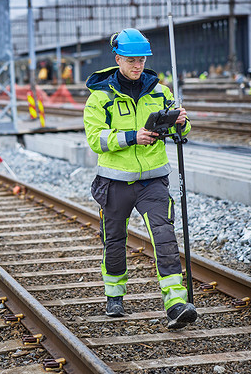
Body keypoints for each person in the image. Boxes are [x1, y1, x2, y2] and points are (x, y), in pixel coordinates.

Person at [83, 28, 197, 329]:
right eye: (132, 59)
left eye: (142, 60)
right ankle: (114, 295)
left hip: (153, 181)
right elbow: (96, 139)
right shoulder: (100, 97)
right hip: (114, 182)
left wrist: (181, 123)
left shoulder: (160, 92)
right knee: (114, 239)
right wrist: (132, 137)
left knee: (164, 237)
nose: (138, 65)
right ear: (118, 58)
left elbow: (181, 133)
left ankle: (175, 302)